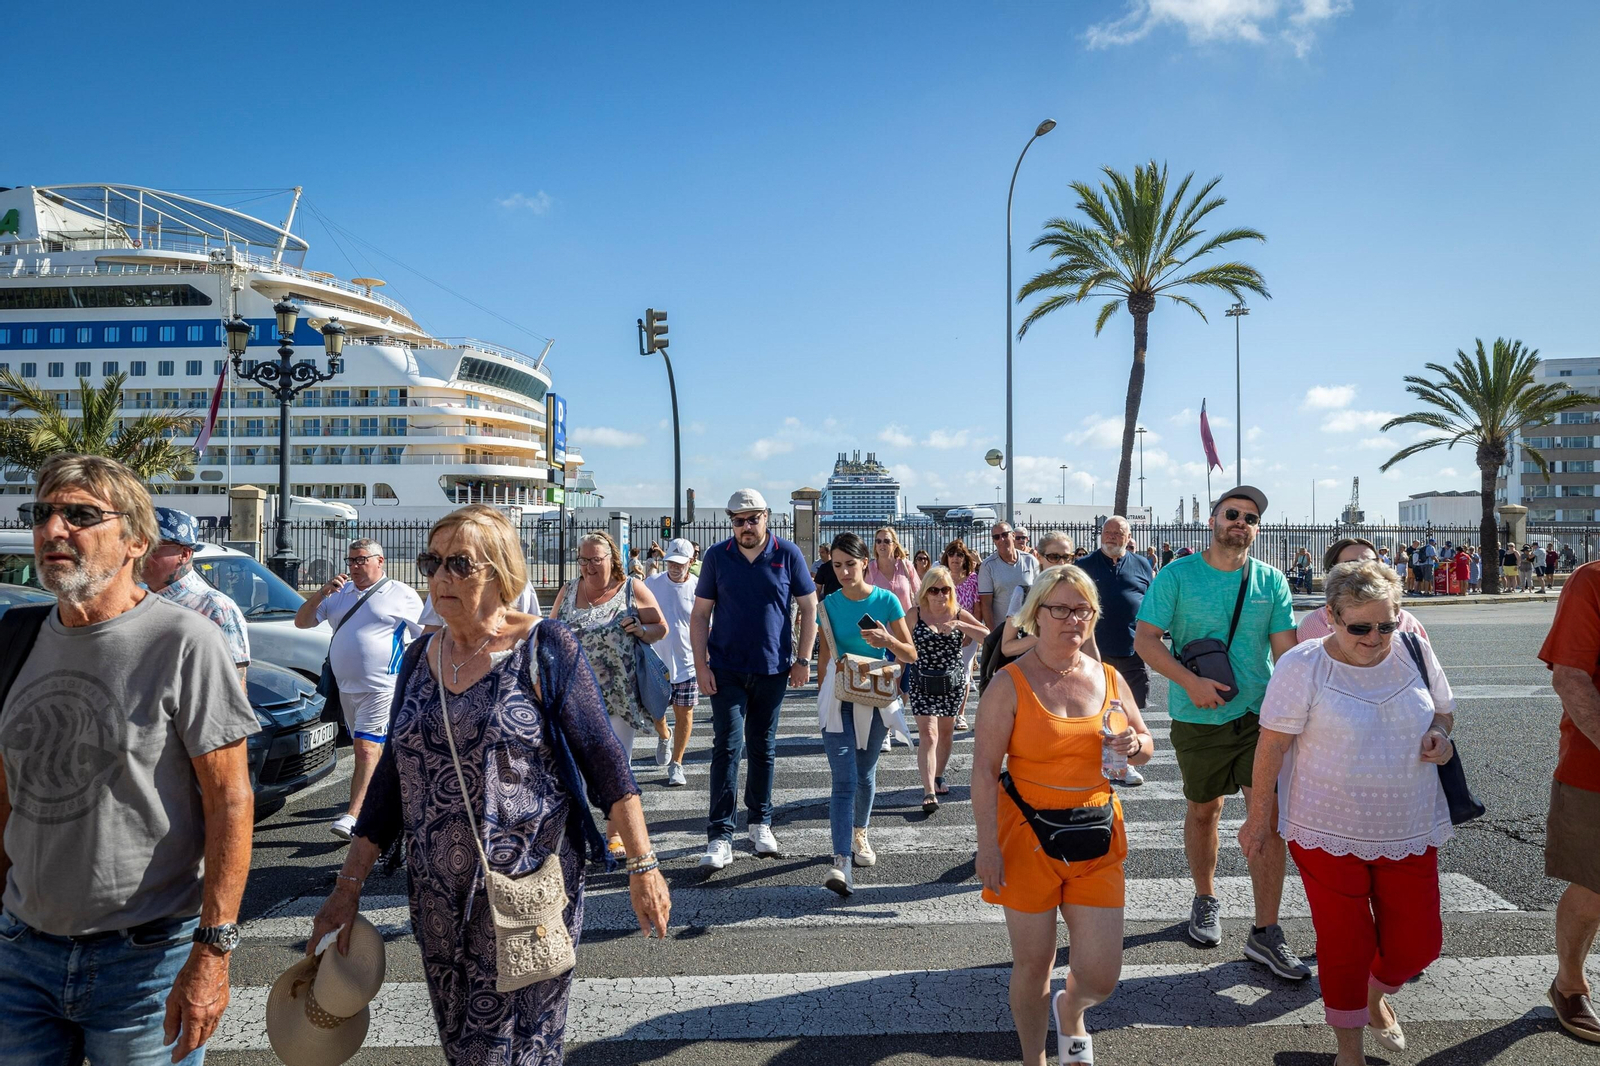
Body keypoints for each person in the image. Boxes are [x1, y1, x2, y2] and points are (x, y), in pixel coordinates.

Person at [309, 505, 671, 1066]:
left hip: (525, 891)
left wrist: (643, 867)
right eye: (433, 561)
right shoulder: (417, 659)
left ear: (501, 574)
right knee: (462, 1043)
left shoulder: (546, 647)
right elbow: (389, 785)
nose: (440, 577)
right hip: (436, 899)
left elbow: (607, 767)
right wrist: (348, 885)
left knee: (517, 1047)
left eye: (459, 564)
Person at [0, 454, 257, 1064]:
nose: (53, 529)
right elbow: (6, 790)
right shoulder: (15, 636)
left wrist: (214, 949)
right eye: (43, 513)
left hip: (144, 964)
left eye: (80, 515)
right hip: (19, 954)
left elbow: (230, 799)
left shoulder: (184, 641)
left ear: (135, 540)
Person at [1242, 560, 1456, 1066]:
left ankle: (1374, 993)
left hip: (1409, 824)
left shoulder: (1413, 649)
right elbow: (1270, 747)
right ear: (1333, 616)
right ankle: (1349, 1051)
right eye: (1360, 626)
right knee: (1345, 942)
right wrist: (1258, 820)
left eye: (1386, 624)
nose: (1375, 636)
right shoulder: (1303, 664)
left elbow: (1443, 709)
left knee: (1419, 944)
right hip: (1325, 827)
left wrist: (1441, 736)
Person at [973, 565, 1154, 1066]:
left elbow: (1145, 746)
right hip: (1026, 837)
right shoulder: (1008, 685)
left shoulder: (1109, 677)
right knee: (1034, 965)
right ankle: (1035, 1058)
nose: (1072, 619)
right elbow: (985, 772)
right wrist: (987, 846)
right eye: (1060, 609)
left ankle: (1070, 1009)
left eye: (1083, 609)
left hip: (1096, 832)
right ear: (1035, 616)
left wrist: (1135, 743)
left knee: (1101, 974)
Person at [1133, 486, 1308, 978]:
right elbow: (1145, 641)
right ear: (1213, 520)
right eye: (1233, 514)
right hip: (1197, 717)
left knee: (1265, 819)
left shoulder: (1270, 581)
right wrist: (1190, 682)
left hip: (1259, 718)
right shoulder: (1177, 575)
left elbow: (1288, 653)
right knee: (1204, 811)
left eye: (1250, 518)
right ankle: (1205, 897)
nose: (1241, 522)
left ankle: (1265, 931)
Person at [691, 489, 818, 870]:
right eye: (738, 520)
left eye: (753, 518)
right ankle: (720, 835)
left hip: (774, 668)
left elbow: (809, 607)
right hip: (726, 668)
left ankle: (760, 822)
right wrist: (701, 666)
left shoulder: (787, 553)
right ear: (731, 522)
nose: (746, 527)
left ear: (767, 516)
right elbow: (699, 616)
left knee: (763, 748)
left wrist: (803, 659)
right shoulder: (717, 557)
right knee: (726, 747)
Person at [295, 537, 424, 840]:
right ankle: (395, 800)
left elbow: (426, 635)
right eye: (351, 560)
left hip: (382, 687)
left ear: (380, 561)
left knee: (365, 749)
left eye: (361, 559)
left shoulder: (400, 594)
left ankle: (354, 816)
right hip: (346, 689)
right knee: (372, 750)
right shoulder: (338, 593)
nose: (354, 566)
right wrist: (321, 593)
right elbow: (302, 622)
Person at [551, 531, 667, 859]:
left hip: (619, 697)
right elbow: (550, 633)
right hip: (575, 698)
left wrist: (641, 630)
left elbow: (661, 627)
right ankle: (578, 831)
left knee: (616, 766)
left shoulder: (631, 588)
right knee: (577, 769)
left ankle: (614, 835)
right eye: (583, 560)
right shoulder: (569, 591)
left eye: (595, 560)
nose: (588, 566)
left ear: (611, 559)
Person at [815, 532, 915, 894]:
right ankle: (841, 862)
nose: (843, 572)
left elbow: (910, 654)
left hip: (875, 696)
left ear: (865, 564)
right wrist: (821, 695)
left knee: (865, 772)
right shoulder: (828, 604)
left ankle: (860, 833)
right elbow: (825, 654)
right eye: (837, 565)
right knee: (843, 779)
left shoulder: (886, 600)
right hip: (839, 696)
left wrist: (887, 641)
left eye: (850, 564)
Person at [1541, 558, 1600, 1042]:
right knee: (1594, 887)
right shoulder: (1592, 581)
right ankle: (1569, 982)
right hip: (1595, 770)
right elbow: (1571, 678)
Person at [905, 565, 988, 809]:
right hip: (921, 681)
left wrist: (960, 626)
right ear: (925, 592)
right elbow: (904, 648)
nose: (940, 595)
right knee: (928, 735)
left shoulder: (958, 612)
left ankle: (939, 773)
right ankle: (929, 790)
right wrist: (898, 678)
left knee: (946, 732)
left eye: (944, 590)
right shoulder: (914, 614)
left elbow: (987, 636)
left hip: (951, 684)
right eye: (933, 590)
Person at [146, 506, 251, 692]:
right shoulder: (137, 601)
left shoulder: (216, 607)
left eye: (152, 547)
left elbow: (235, 688)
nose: (140, 554)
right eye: (138, 544)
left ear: (184, 554)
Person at [1074, 516, 1154, 709]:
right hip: (1096, 653)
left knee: (1133, 711)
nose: (1111, 537)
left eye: (1117, 533)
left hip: (1135, 653)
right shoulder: (1083, 566)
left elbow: (1152, 605)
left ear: (1128, 537)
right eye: (1107, 532)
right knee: (1097, 708)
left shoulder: (1143, 564)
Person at [1297, 538, 1427, 642]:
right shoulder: (1312, 625)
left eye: (1373, 562)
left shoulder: (1407, 623)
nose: (1366, 569)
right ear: (1331, 572)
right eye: (1353, 564)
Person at [646, 538, 699, 787]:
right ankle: (664, 736)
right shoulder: (653, 583)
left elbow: (708, 625)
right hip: (657, 662)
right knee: (656, 711)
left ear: (691, 562)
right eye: (670, 563)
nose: (674, 568)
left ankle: (677, 764)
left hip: (687, 662)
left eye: (680, 563)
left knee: (685, 714)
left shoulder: (700, 588)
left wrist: (706, 657)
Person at [945, 538, 983, 730]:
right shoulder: (941, 578)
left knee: (965, 672)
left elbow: (978, 608)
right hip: (944, 631)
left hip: (966, 632)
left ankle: (960, 714)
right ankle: (946, 711)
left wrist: (971, 633)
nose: (955, 558)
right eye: (951, 553)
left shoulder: (973, 579)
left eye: (960, 554)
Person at [977, 521, 1038, 630]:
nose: (1001, 540)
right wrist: (993, 634)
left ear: (1013, 535)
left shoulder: (1030, 561)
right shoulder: (987, 566)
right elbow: (986, 604)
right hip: (1002, 630)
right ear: (994, 541)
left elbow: (1039, 595)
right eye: (996, 537)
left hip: (1029, 628)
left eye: (1005, 535)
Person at [868, 526, 919, 611]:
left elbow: (919, 594)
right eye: (878, 541)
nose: (882, 544)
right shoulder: (868, 569)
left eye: (886, 541)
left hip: (906, 622)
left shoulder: (906, 566)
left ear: (894, 545)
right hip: (878, 623)